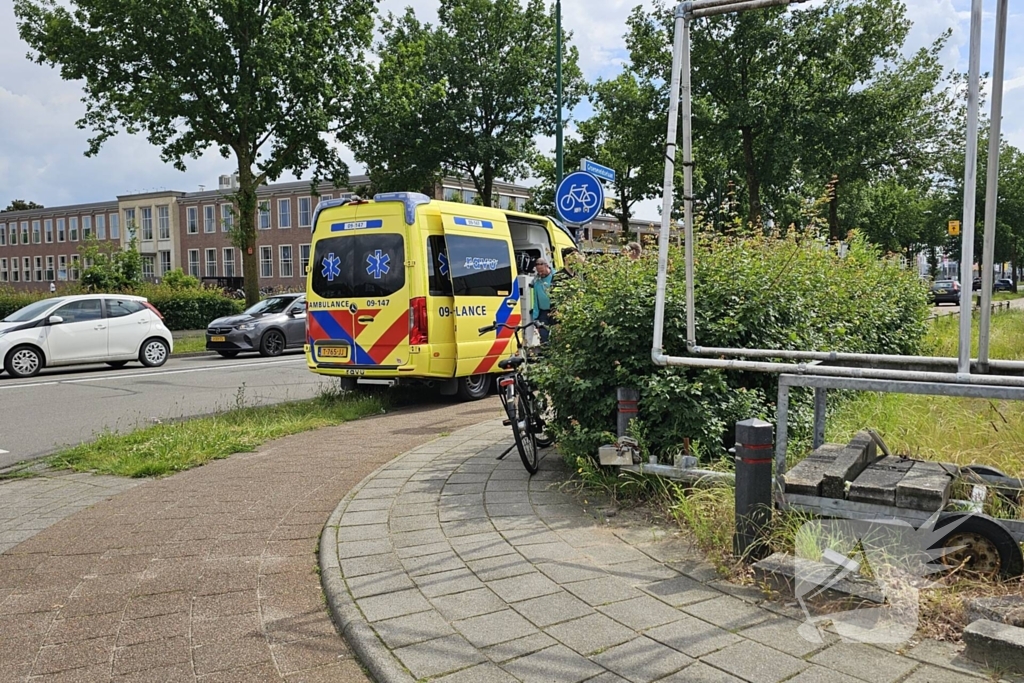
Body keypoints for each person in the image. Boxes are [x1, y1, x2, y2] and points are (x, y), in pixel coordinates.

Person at [532, 257, 554, 343]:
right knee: (543, 335)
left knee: (557, 335)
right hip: (543, 312)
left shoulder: (556, 276)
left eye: (542, 271)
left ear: (547, 266)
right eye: (538, 271)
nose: (540, 273)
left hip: (555, 310)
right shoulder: (536, 280)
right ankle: (545, 349)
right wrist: (534, 317)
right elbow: (534, 299)